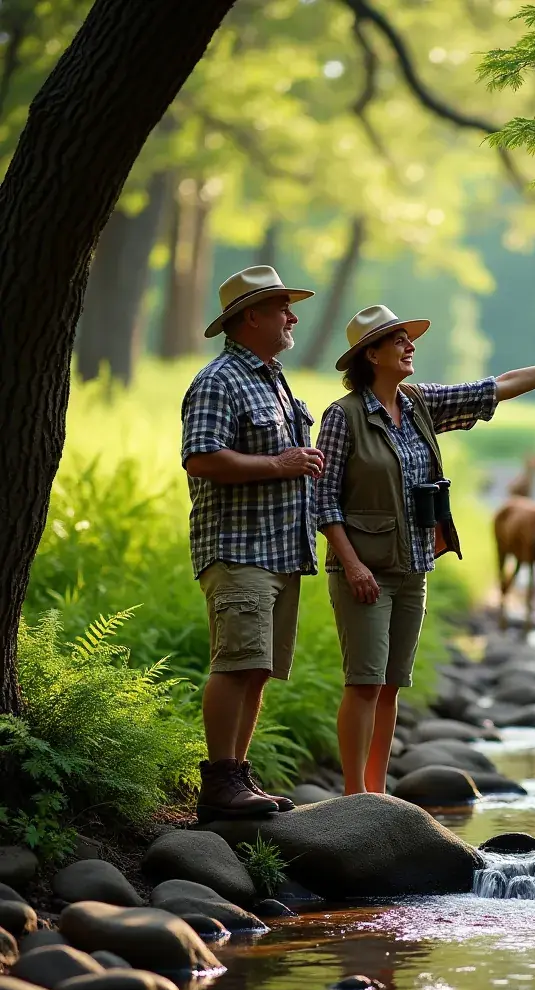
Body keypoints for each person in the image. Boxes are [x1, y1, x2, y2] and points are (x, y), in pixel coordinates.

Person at [315, 303, 535, 795]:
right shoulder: (343, 417)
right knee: (364, 682)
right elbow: (323, 498)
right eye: (398, 340)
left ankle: (376, 792)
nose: (410, 345)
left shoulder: (418, 405)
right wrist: (351, 564)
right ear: (371, 354)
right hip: (363, 572)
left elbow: (499, 385)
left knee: (392, 685)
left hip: (413, 567)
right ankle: (354, 796)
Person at [181, 265, 325, 823]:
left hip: (280, 551)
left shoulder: (272, 376)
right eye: (284, 308)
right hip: (238, 548)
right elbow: (200, 456)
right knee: (236, 663)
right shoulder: (217, 380)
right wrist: (279, 462)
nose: (293, 317)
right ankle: (219, 782)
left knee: (258, 667)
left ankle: (237, 777)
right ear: (251, 317)